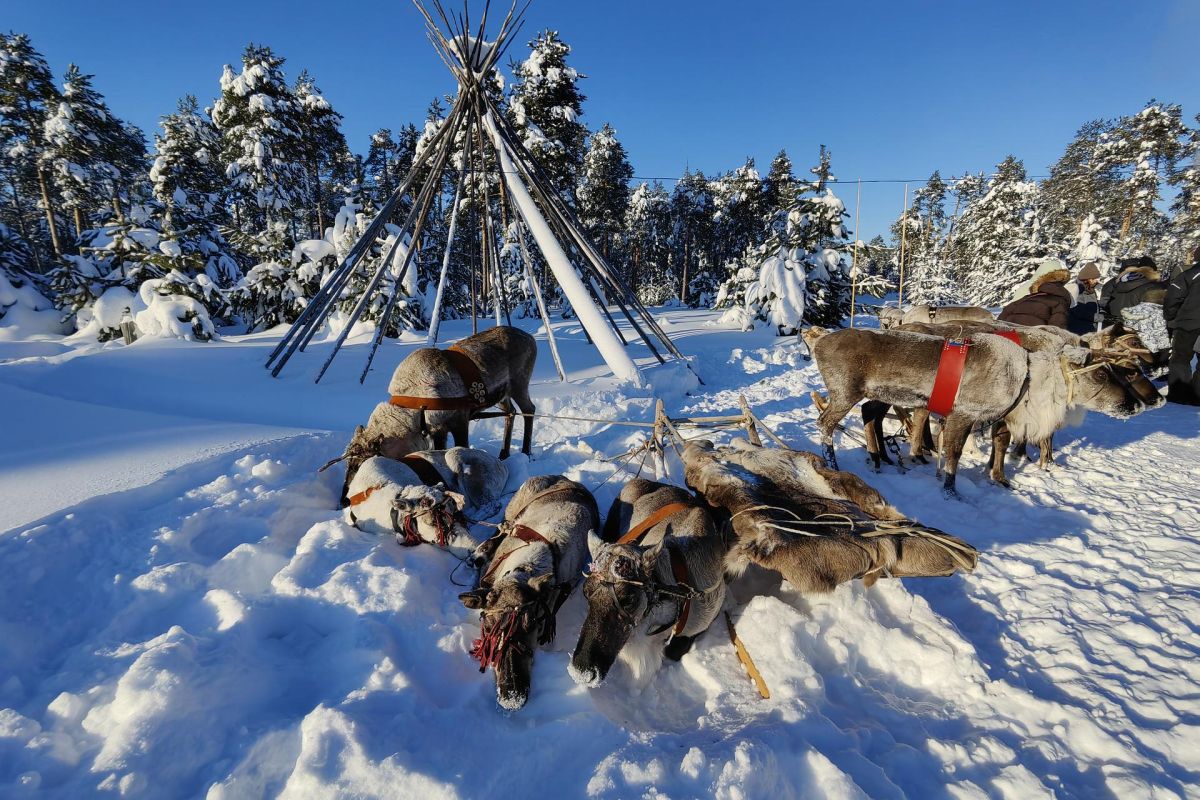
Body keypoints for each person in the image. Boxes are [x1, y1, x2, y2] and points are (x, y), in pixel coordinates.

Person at [1163, 245, 1200, 405]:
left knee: (1180, 358)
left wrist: (1170, 315)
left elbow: (1173, 296)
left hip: (1188, 323)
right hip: (1189, 321)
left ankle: (1179, 394)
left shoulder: (1190, 275)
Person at [998, 260, 1072, 328]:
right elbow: (1058, 331)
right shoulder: (1060, 302)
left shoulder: (1028, 294)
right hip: (1035, 339)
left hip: (1011, 336)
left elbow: (1000, 321)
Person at [1099, 256, 1165, 326]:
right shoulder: (1153, 286)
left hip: (1113, 327)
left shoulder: (1112, 283)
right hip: (1137, 328)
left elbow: (1103, 305)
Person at [1067, 261, 1102, 335]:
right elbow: (1078, 311)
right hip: (1078, 331)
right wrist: (1098, 317)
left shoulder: (1089, 290)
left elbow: (1091, 307)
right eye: (1094, 278)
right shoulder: (1078, 290)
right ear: (1088, 279)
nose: (1097, 281)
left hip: (1087, 329)